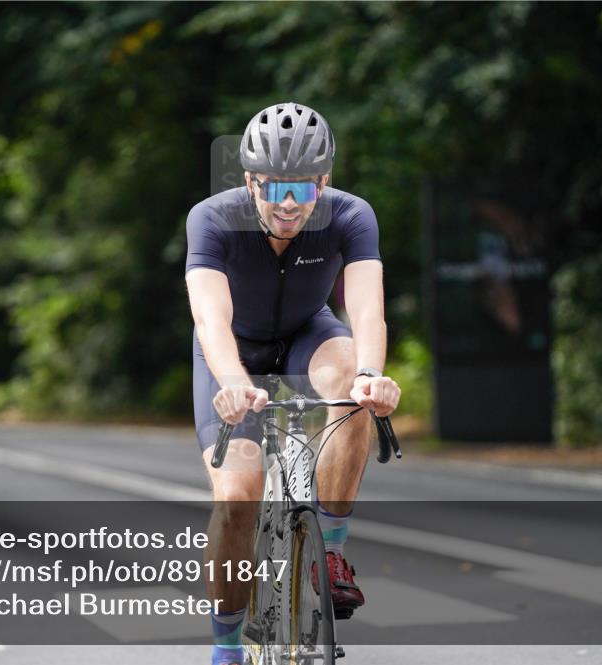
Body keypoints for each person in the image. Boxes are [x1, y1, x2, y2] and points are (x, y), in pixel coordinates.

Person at [185, 103, 401, 665]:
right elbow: (210, 319)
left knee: (352, 386)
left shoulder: (351, 215)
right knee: (237, 496)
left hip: (310, 334)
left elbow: (367, 311)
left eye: (303, 190)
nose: (288, 204)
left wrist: (372, 377)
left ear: (323, 184)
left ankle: (330, 552)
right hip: (233, 350)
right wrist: (233, 383)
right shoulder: (211, 218)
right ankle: (226, 648)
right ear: (250, 181)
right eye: (274, 188)